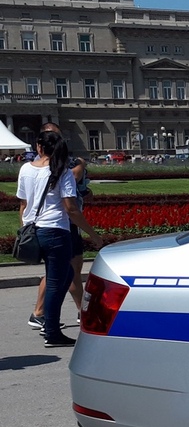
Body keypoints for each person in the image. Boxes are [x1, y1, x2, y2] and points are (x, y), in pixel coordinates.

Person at [16, 130, 103, 347]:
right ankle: (52, 331)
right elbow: (71, 208)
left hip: (36, 229)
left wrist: (25, 228)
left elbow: (23, 204)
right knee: (58, 281)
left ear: (38, 148)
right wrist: (94, 235)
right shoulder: (62, 171)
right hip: (56, 231)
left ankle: (49, 323)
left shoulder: (26, 169)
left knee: (62, 278)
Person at [29, 123, 89, 330]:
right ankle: (57, 316)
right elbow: (71, 201)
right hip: (61, 225)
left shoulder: (39, 166)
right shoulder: (56, 167)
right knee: (66, 270)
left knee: (62, 270)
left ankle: (44, 314)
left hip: (52, 225)